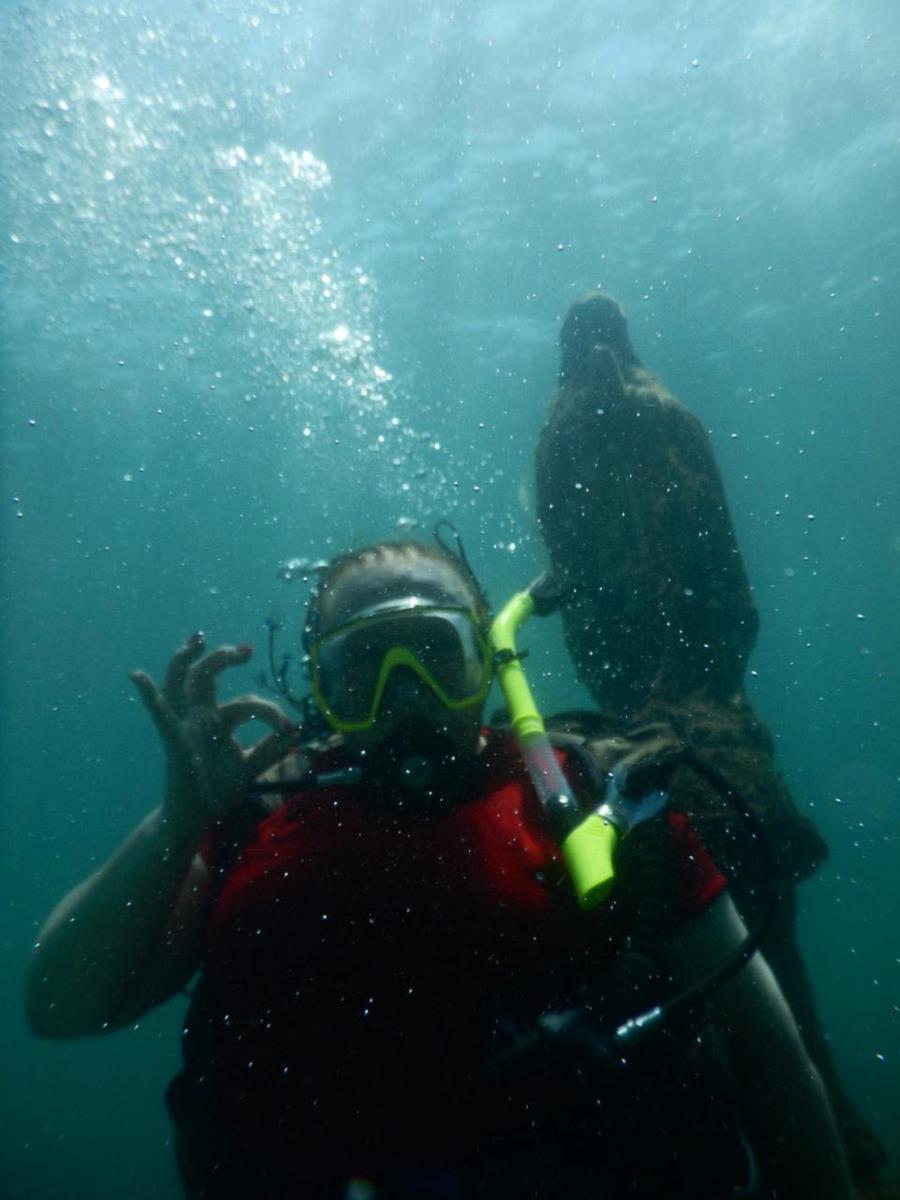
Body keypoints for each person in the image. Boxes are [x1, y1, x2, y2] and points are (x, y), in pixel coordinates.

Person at [27, 534, 857, 1199]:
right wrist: (179, 822)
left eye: (434, 655)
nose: (405, 695)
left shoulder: (606, 803)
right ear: (317, 685)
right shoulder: (252, 815)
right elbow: (59, 1005)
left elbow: (775, 1070)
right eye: (364, 668)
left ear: (488, 666)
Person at [534, 290, 889, 1195]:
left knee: (705, 1035)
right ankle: (832, 1159)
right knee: (783, 1029)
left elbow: (597, 596)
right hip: (718, 740)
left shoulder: (563, 435)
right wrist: (709, 687)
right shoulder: (670, 414)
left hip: (662, 752)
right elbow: (720, 591)